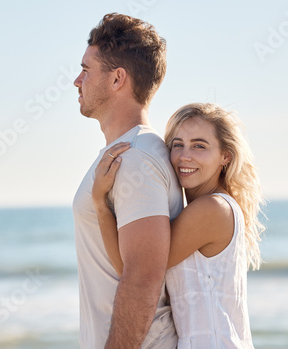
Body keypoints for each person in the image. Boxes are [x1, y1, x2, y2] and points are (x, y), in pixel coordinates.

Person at [93, 103, 264, 348]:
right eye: (177, 144)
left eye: (199, 146)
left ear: (225, 156)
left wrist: (100, 205)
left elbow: (133, 272)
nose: (185, 156)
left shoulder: (212, 210)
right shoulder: (214, 208)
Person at [72, 13, 182, 348]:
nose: (77, 80)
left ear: (118, 79)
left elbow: (142, 277)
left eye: (86, 70)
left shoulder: (135, 160)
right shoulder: (129, 152)